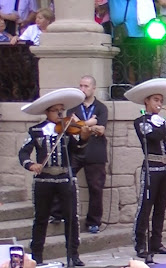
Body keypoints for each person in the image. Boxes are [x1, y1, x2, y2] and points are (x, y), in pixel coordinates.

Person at [18, 88, 90, 266]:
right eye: (55, 110)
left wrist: (84, 135)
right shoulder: (35, 130)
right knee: (41, 218)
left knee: (71, 218)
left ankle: (73, 254)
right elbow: (23, 152)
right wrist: (30, 164)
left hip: (65, 178)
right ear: (47, 112)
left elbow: (78, 148)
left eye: (61, 110)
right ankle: (37, 256)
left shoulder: (67, 129)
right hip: (44, 180)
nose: (59, 114)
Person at [123, 78, 166, 258]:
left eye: (160, 100)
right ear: (147, 101)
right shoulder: (141, 121)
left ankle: (156, 242)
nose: (159, 104)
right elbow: (156, 136)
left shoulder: (162, 121)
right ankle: (140, 244)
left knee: (161, 207)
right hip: (152, 168)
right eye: (156, 100)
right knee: (146, 205)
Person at [66, 75, 108, 234]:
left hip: (95, 151)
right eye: (81, 85)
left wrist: (80, 124)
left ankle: (93, 222)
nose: (82, 89)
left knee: (96, 187)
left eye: (86, 86)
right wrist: (90, 124)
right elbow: (70, 128)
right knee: (65, 179)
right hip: (76, 149)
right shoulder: (73, 107)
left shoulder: (101, 108)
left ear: (93, 88)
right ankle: (58, 213)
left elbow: (101, 130)